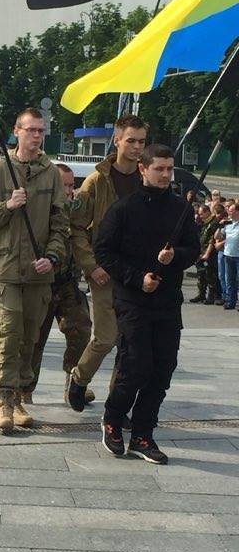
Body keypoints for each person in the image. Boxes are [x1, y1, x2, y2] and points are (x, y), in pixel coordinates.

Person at [95, 144, 200, 464]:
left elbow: (193, 249)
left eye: (170, 169)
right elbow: (104, 252)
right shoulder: (124, 209)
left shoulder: (181, 208)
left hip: (168, 301)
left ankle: (143, 434)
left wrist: (175, 257)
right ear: (143, 169)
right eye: (160, 169)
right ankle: (113, 418)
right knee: (136, 363)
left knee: (162, 369)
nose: (167, 174)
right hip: (132, 300)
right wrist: (137, 277)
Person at [0, 108, 68, 434]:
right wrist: (7, 206)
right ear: (17, 131)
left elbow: (60, 224)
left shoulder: (51, 173)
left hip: (38, 271)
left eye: (41, 131)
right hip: (5, 267)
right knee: (9, 332)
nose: (36, 136)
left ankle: (22, 394)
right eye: (31, 130)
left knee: (31, 336)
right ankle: (4, 401)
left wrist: (52, 257)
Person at [68, 114, 147, 411]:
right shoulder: (97, 181)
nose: (137, 147)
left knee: (129, 344)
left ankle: (117, 404)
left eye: (141, 141)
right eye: (131, 140)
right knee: (105, 337)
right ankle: (79, 378)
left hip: (136, 274)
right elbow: (76, 228)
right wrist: (91, 266)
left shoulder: (146, 179)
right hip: (104, 271)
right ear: (117, 140)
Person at [24, 164, 93, 409]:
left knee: (82, 328)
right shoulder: (40, 211)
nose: (69, 190)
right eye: (63, 185)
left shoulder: (77, 213)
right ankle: (25, 390)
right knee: (34, 339)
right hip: (41, 284)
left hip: (67, 286)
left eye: (71, 185)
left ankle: (74, 382)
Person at [190, 204, 221, 305]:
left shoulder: (214, 223)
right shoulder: (204, 223)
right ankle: (201, 294)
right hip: (201, 252)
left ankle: (211, 296)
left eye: (202, 214)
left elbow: (212, 240)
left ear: (207, 212)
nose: (200, 216)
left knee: (210, 274)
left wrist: (207, 253)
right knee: (201, 274)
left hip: (210, 254)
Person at [219, 202, 239, 310]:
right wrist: (219, 226)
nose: (228, 213)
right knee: (230, 280)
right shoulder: (228, 224)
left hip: (238, 255)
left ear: (237, 212)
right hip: (228, 255)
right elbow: (218, 236)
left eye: (231, 211)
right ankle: (231, 301)